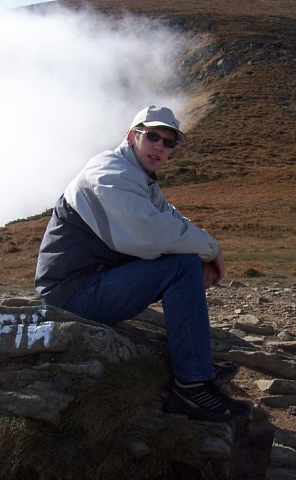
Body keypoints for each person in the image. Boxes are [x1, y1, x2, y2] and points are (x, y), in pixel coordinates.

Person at [35, 104, 251, 424]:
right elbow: (149, 232)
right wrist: (211, 250)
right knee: (181, 266)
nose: (160, 146)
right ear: (131, 136)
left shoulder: (139, 177)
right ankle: (191, 388)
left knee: (184, 260)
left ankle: (195, 365)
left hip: (91, 282)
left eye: (169, 142)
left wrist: (204, 248)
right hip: (70, 294)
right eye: (152, 136)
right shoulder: (110, 172)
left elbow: (170, 218)